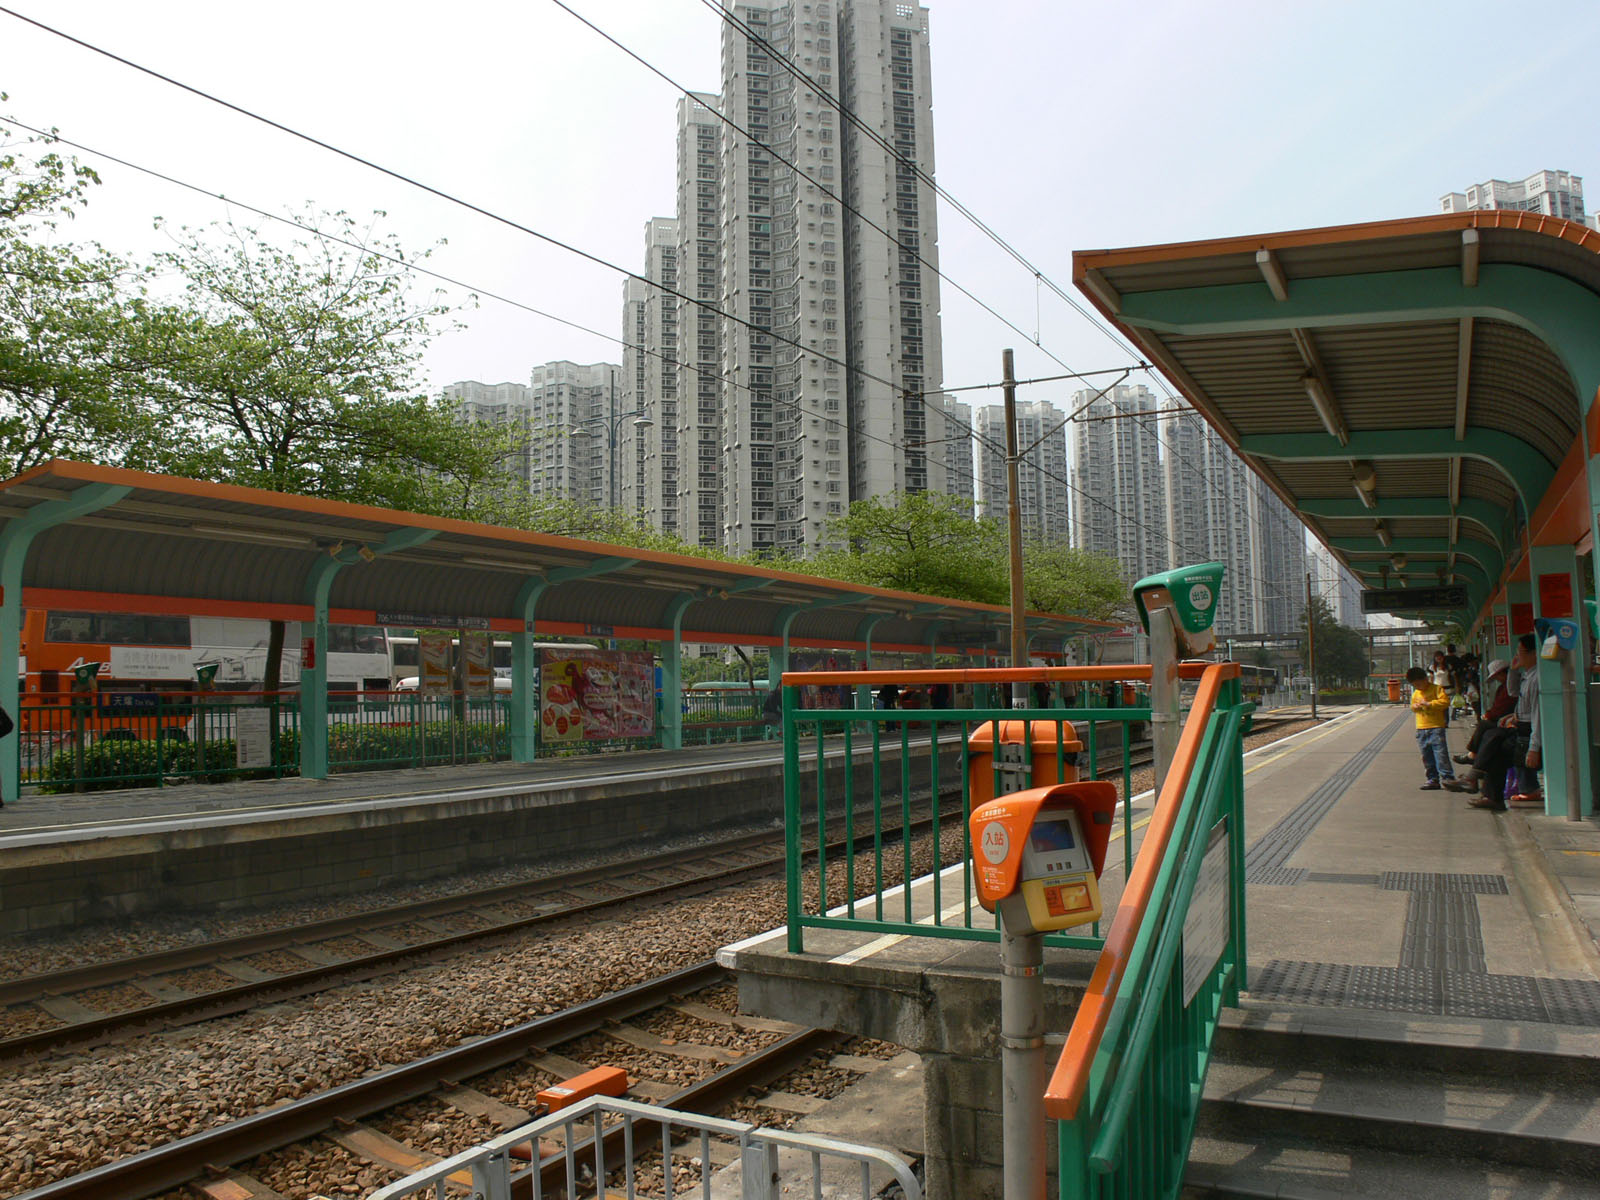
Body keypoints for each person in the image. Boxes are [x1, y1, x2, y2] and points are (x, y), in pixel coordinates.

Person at [1468, 634, 1541, 811]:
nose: (1517, 655)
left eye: (1520, 651)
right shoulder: (1527, 676)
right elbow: (1514, 692)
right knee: (1492, 737)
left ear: (1533, 653)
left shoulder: (1537, 678)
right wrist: (1514, 671)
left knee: (1494, 742)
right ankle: (1483, 787)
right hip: (1521, 726)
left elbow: (1539, 716)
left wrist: (1534, 748)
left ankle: (1475, 775)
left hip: (1529, 731)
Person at [1406, 666, 1460, 790]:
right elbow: (1412, 707)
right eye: (1415, 685)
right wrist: (1415, 706)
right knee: (1426, 755)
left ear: (1426, 679)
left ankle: (1448, 778)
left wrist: (1429, 704)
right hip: (1421, 728)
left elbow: (1445, 702)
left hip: (1436, 727)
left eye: (1419, 683)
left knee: (1441, 754)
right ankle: (1432, 779)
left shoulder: (1437, 689)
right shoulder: (1416, 693)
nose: (1418, 687)